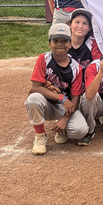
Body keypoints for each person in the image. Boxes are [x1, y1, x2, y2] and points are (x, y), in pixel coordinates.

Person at [24, 23, 90, 155]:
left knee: (80, 131)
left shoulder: (76, 68)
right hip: (47, 103)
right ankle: (40, 136)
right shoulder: (43, 59)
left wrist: (65, 119)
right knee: (33, 98)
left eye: (64, 41)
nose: (60, 44)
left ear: (70, 44)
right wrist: (62, 98)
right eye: (55, 41)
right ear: (49, 44)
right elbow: (36, 87)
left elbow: (76, 97)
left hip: (65, 108)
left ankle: (62, 129)